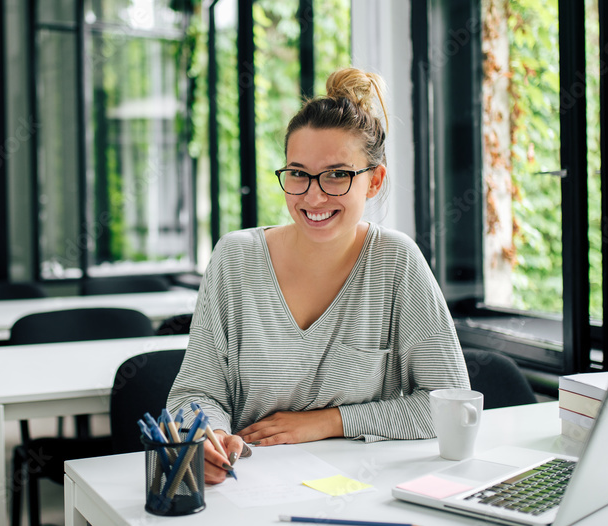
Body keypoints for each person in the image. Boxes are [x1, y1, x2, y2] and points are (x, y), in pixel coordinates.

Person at [167, 67, 470, 484]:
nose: (313, 195)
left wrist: (328, 421)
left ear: (374, 181)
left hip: (362, 487)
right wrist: (208, 435)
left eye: (338, 175)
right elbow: (193, 394)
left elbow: (448, 406)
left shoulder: (396, 261)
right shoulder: (234, 258)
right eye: (298, 173)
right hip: (249, 485)